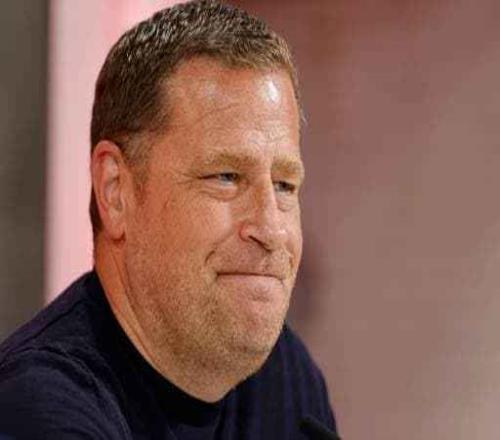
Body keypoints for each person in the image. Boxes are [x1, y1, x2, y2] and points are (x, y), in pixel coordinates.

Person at [0, 1, 339, 438]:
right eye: (226, 177)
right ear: (115, 191)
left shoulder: (287, 380)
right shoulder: (39, 409)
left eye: (285, 185)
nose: (270, 228)